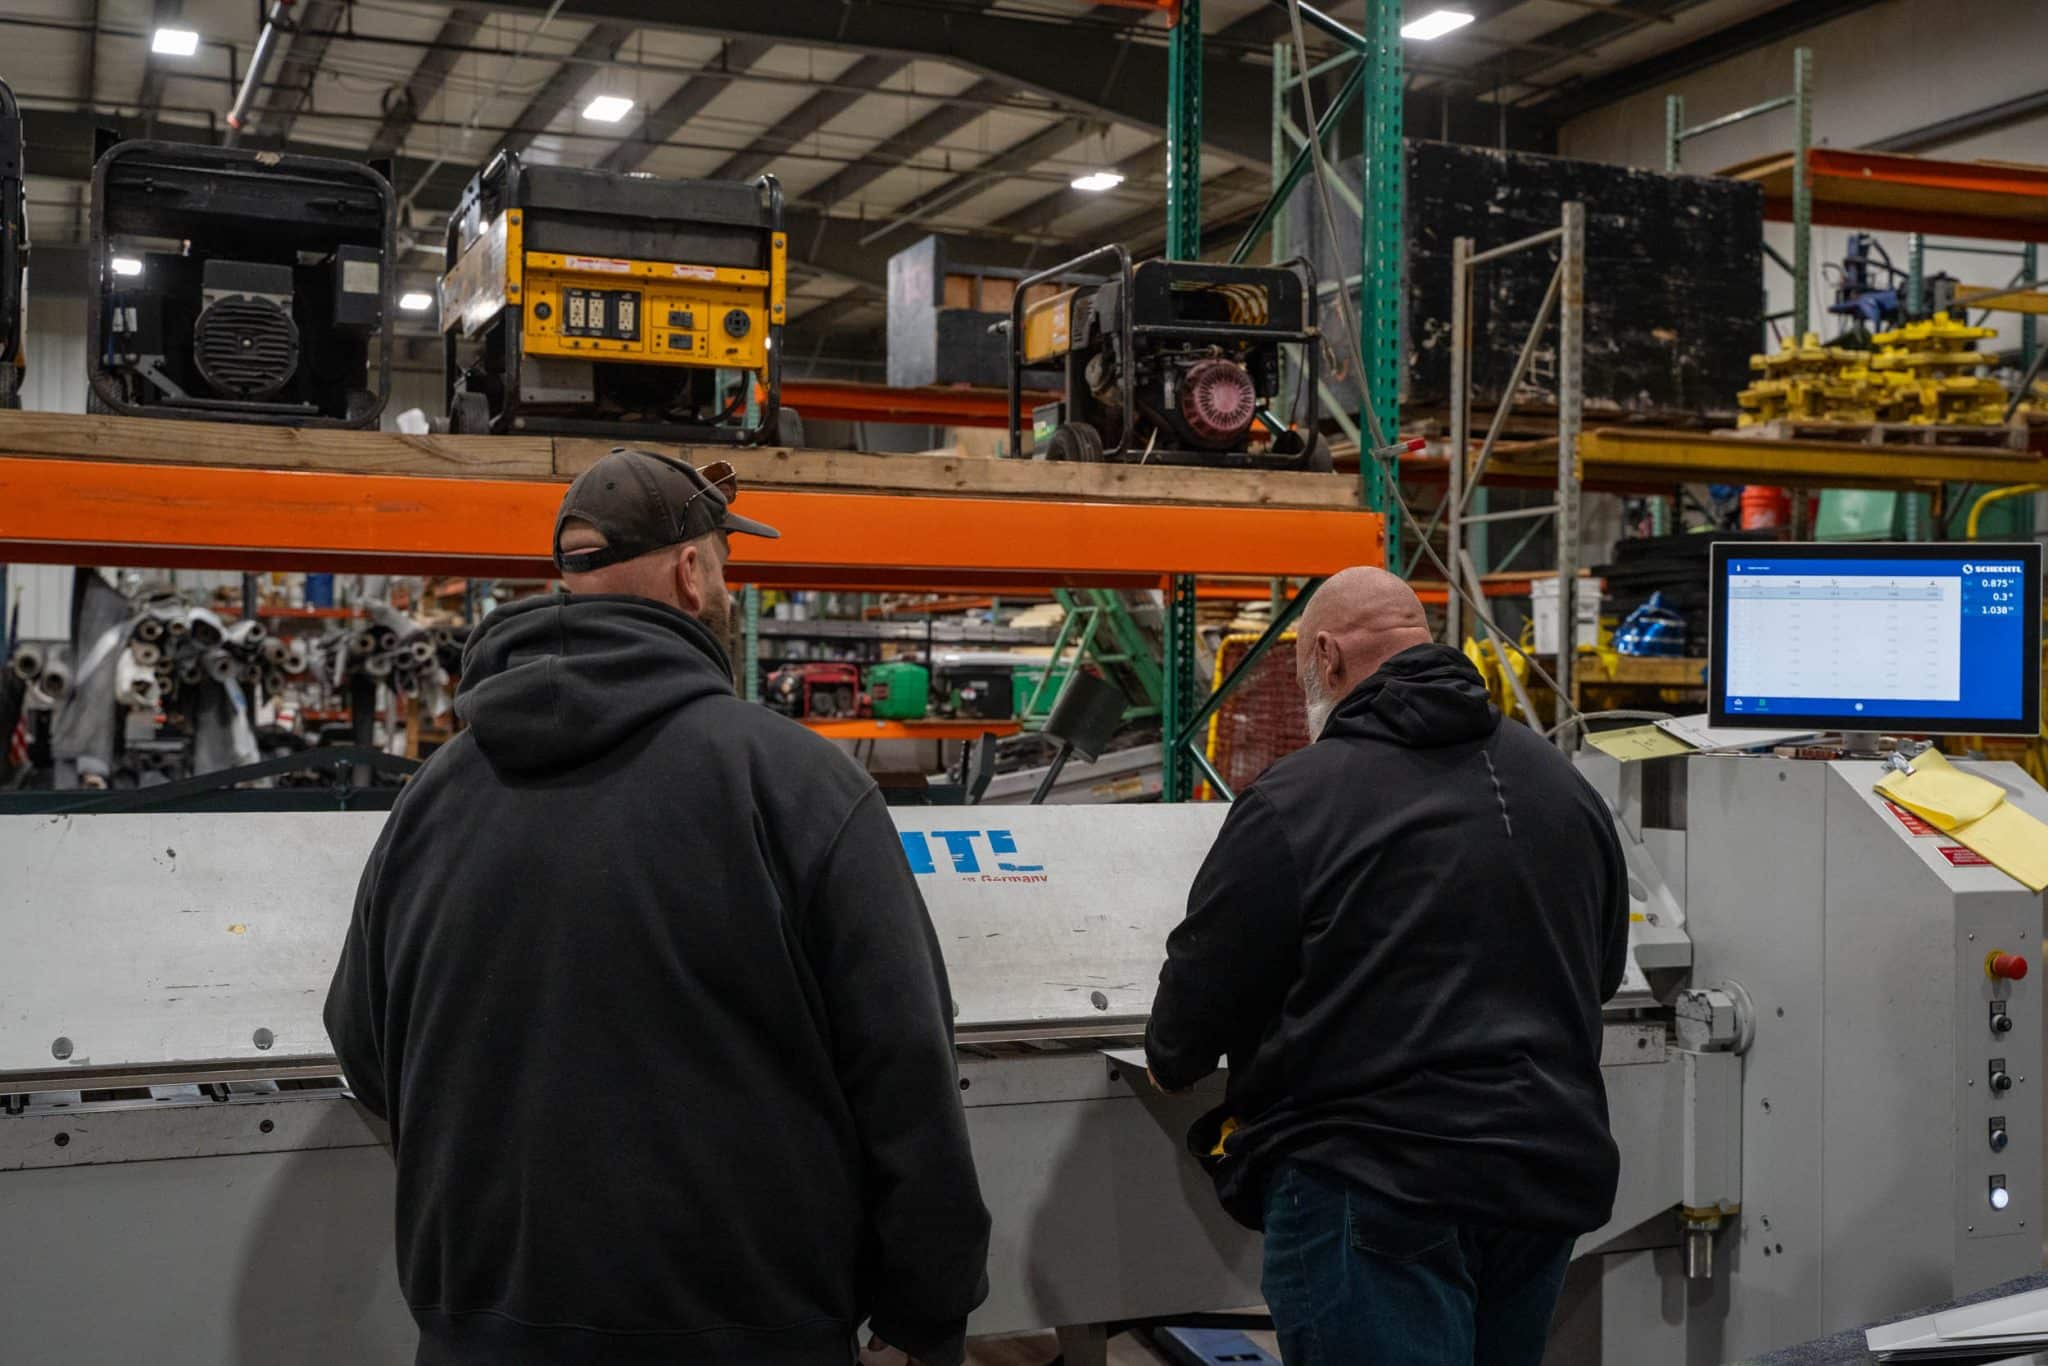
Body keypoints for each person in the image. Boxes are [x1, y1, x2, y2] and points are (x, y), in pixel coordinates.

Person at [325, 448, 991, 1366]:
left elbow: (362, 1045)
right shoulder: (790, 782)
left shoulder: (434, 794)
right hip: (744, 1335)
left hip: (482, 1333)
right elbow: (906, 1070)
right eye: (722, 563)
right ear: (692, 571)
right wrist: (929, 1312)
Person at [1144, 566, 1627, 1366]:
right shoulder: (1561, 785)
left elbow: (1200, 1000)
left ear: (1327, 656)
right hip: (1541, 1178)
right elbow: (1598, 972)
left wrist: (1173, 1061)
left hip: (1372, 1191)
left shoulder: (1298, 798)